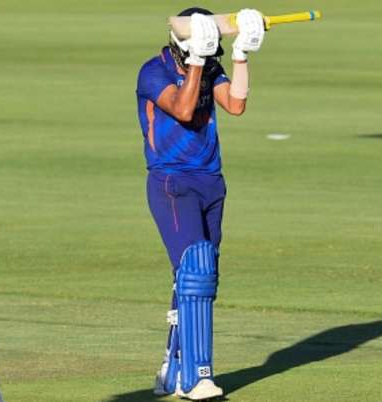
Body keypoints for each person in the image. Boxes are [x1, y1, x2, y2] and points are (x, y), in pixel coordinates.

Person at [135, 7, 266, 400]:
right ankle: (196, 377)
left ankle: (172, 367)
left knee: (197, 278)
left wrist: (241, 54)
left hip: (211, 181)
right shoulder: (152, 71)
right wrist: (196, 59)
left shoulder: (209, 69)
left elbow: (236, 104)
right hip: (172, 181)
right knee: (195, 271)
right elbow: (184, 108)